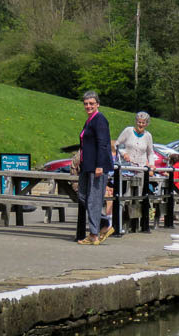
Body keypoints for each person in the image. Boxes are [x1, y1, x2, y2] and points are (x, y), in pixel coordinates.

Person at [77, 91, 114, 245]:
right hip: (87, 166)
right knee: (83, 195)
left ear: (97, 104)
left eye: (91, 103)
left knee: (94, 199)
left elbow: (103, 143)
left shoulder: (99, 120)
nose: (88, 106)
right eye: (86, 103)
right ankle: (104, 223)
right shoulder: (89, 121)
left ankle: (93, 235)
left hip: (97, 166)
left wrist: (100, 165)